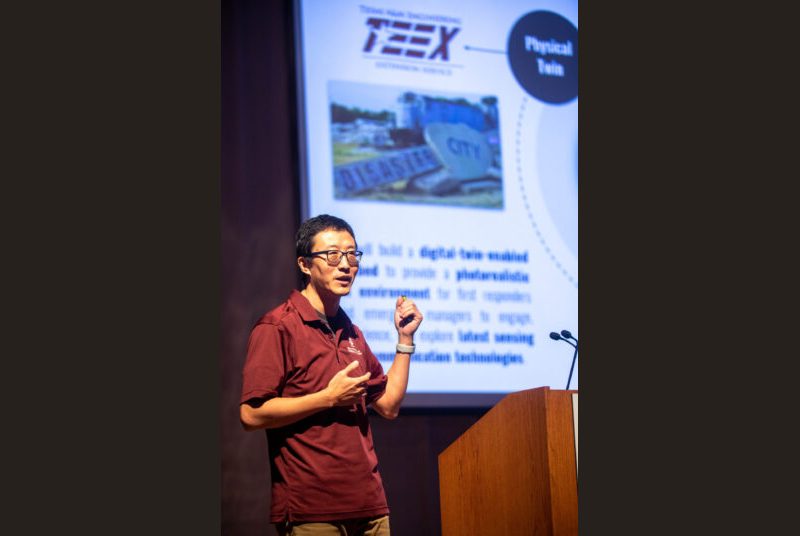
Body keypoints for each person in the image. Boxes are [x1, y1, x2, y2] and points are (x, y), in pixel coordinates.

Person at [240, 214, 423, 536]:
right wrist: (327, 398)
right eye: (332, 255)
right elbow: (252, 415)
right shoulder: (278, 327)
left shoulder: (352, 332)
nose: (345, 264)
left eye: (352, 255)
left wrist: (404, 340)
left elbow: (389, 406)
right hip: (312, 511)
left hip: (371, 507)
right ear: (305, 264)